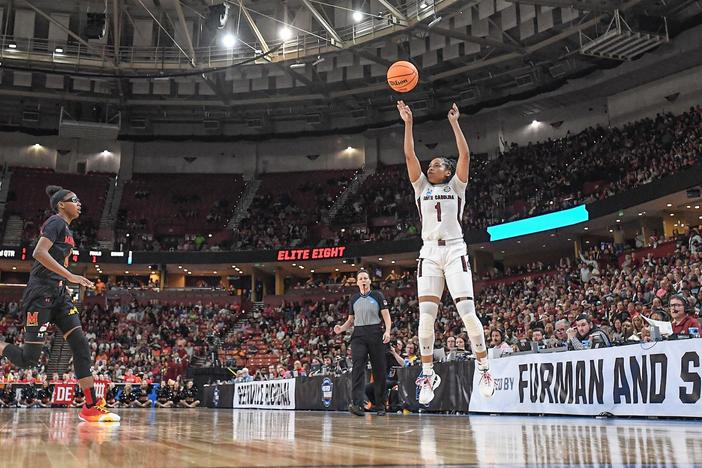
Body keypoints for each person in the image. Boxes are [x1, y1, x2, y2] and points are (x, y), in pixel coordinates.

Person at [397, 100, 494, 404]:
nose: (431, 166)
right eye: (431, 164)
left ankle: (484, 367)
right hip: (429, 253)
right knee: (425, 318)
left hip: (454, 251)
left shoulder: (457, 187)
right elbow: (410, 154)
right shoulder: (420, 187)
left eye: (437, 164)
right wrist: (408, 123)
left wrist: (454, 122)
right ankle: (428, 374)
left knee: (467, 312)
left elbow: (465, 153)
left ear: (449, 171)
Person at [0, 185, 119, 422]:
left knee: (81, 346)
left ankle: (91, 405)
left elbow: (61, 263)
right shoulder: (55, 222)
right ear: (61, 205)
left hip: (60, 296)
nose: (79, 203)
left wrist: (65, 283)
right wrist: (70, 276)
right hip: (40, 294)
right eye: (74, 200)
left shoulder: (69, 233)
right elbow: (39, 253)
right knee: (29, 359)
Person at [334, 269, 392, 416]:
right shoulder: (353, 299)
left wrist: (387, 331)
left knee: (379, 369)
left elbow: (386, 315)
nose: (363, 280)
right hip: (358, 334)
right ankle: (357, 405)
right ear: (358, 282)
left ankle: (380, 406)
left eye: (366, 278)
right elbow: (350, 320)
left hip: (375, 333)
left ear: (370, 281)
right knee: (358, 367)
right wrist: (341, 328)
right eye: (360, 278)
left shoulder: (377, 295)